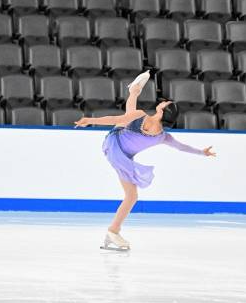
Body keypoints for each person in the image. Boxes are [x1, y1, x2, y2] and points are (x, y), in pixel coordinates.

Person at [74, 72, 216, 251]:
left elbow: (115, 119)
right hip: (117, 147)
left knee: (130, 115)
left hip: (118, 149)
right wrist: (202, 153)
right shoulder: (163, 136)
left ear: (162, 110)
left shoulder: (143, 118)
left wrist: (89, 120)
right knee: (132, 195)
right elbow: (181, 147)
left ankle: (134, 90)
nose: (162, 101)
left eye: (165, 103)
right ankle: (113, 232)